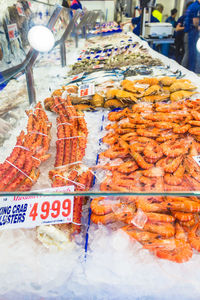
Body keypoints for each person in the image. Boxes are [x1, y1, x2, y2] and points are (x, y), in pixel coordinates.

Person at [182, 0, 200, 72]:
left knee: (188, 54)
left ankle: (184, 71)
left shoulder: (192, 5)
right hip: (192, 33)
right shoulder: (197, 7)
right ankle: (191, 73)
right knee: (192, 55)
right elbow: (195, 22)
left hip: (189, 32)